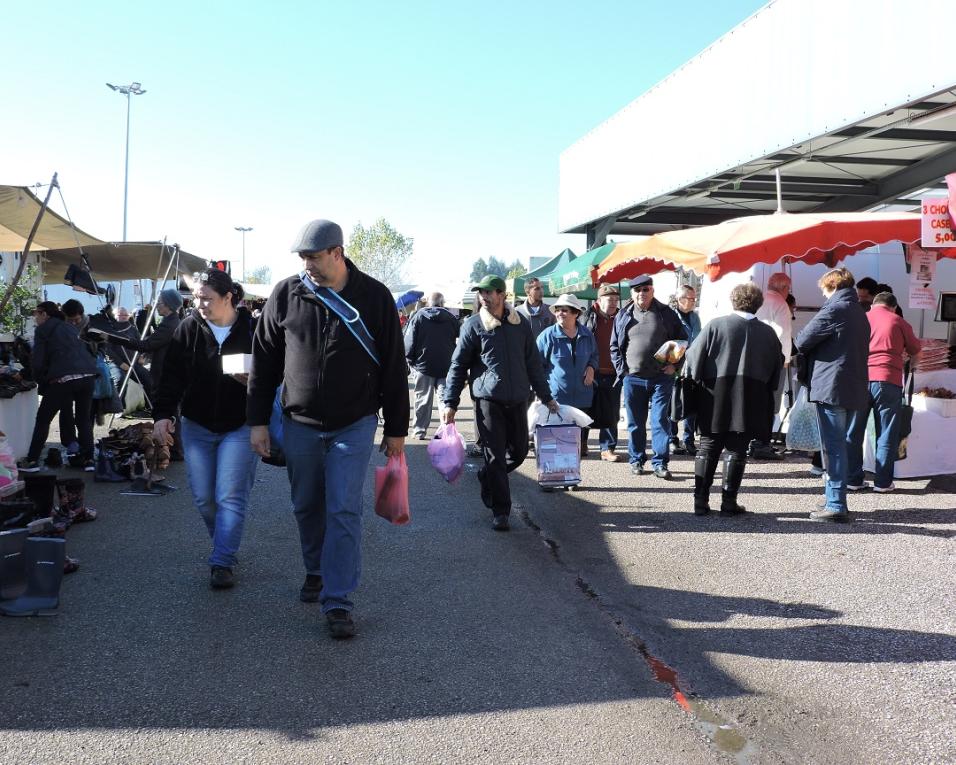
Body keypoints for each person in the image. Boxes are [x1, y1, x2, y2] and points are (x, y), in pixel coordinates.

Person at [247, 219, 408, 639]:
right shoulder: (286, 294)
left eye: (314, 257)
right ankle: (316, 570)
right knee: (306, 505)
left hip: (354, 424)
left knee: (343, 507)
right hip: (298, 424)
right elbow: (263, 363)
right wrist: (258, 422)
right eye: (303, 258)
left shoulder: (374, 296)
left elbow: (394, 365)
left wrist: (397, 428)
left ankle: (338, 600)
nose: (307, 265)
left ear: (337, 252)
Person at [152, 269, 257, 590]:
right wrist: (163, 415)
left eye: (207, 299)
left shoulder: (253, 330)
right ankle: (224, 543)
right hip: (197, 424)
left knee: (229, 496)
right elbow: (171, 377)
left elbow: (276, 374)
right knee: (204, 498)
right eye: (197, 298)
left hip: (241, 425)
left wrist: (255, 382)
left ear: (228, 298)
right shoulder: (187, 328)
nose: (200, 304)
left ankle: (222, 560)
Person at [443, 274, 557, 531]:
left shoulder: (520, 323)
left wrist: (546, 396)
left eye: (489, 292)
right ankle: (501, 511)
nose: (484, 296)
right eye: (481, 292)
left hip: (518, 399)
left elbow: (533, 363)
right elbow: (458, 365)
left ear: (502, 294)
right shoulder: (473, 325)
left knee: (519, 452)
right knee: (495, 456)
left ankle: (488, 475)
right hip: (488, 400)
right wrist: (450, 402)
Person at [684, 283, 783, 516]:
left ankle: (700, 501)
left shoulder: (716, 325)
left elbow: (693, 358)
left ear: (733, 300)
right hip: (750, 396)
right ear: (759, 304)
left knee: (708, 447)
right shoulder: (768, 333)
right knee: (737, 449)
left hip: (714, 394)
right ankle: (729, 503)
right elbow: (776, 369)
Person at [795, 267, 870, 522]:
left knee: (833, 447)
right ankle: (833, 498)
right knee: (842, 445)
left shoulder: (835, 309)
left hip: (832, 386)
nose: (823, 295)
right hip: (853, 386)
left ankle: (836, 504)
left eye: (825, 290)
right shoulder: (859, 311)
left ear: (833, 286)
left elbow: (802, 340)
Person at [610, 275, 687, 480]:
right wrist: (622, 371)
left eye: (646, 289)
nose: (641, 293)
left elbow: (682, 340)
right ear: (632, 293)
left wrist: (675, 365)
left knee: (660, 420)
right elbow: (614, 346)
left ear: (652, 290)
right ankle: (636, 459)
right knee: (635, 422)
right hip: (633, 378)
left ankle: (660, 463)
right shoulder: (623, 315)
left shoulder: (666, 313)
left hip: (661, 378)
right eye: (637, 290)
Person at [846, 292, 921, 493]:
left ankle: (853, 479)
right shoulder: (898, 321)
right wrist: (910, 363)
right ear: (893, 307)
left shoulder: (860, 319)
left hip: (859, 380)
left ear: (873, 305)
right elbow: (916, 351)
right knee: (886, 432)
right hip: (888, 380)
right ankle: (883, 482)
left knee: (853, 432)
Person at [18, 302, 98, 473]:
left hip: (64, 378)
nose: (35, 317)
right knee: (83, 419)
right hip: (88, 376)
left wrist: (40, 380)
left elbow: (38, 362)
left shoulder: (43, 330)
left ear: (45, 314)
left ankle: (31, 461)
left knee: (43, 419)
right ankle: (89, 460)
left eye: (36, 313)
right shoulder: (69, 327)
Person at [536, 294, 599, 460]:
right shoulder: (547, 336)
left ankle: (571, 472)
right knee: (557, 441)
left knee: (576, 444)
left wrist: (591, 367)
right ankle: (553, 471)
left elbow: (594, 355)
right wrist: (540, 392)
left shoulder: (587, 335)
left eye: (564, 310)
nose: (559, 313)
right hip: (557, 397)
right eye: (557, 310)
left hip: (583, 396)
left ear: (575, 313)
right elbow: (536, 366)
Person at [404, 291, 459, 440]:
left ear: (429, 302)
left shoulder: (419, 316)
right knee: (444, 400)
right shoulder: (451, 318)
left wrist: (410, 360)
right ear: (442, 303)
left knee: (422, 399)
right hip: (446, 365)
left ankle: (419, 431)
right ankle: (446, 431)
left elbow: (409, 341)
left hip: (423, 365)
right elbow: (459, 339)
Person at [751, 272, 793, 460]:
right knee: (770, 404)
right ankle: (762, 443)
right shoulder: (780, 304)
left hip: (753, 359)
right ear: (784, 288)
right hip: (773, 361)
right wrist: (786, 360)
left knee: (755, 401)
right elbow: (783, 334)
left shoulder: (757, 299)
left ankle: (751, 440)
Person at [583, 284, 625, 462]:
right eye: (610, 300)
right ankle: (581, 443)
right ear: (599, 301)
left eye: (616, 300)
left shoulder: (622, 318)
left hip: (613, 371)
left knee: (611, 411)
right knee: (585, 408)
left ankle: (607, 448)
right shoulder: (587, 316)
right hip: (590, 370)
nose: (614, 303)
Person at [669, 285, 701, 456]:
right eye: (691, 298)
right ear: (680, 299)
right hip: (674, 365)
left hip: (692, 366)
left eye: (694, 298)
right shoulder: (671, 316)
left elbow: (698, 339)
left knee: (691, 405)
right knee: (673, 404)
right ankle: (672, 439)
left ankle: (689, 440)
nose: (694, 301)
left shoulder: (695, 317)